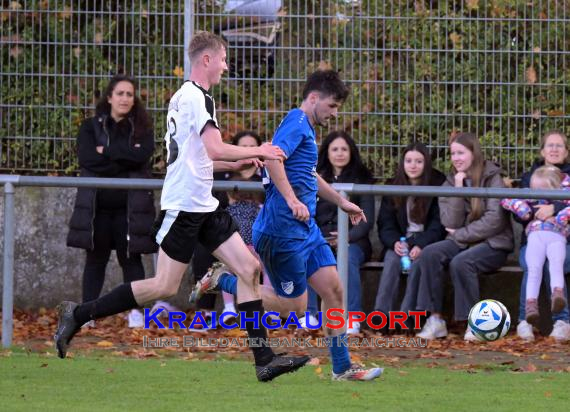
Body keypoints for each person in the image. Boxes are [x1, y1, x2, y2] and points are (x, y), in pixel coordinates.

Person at [55, 31, 310, 382]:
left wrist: (236, 166)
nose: (225, 65)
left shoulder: (188, 97)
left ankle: (264, 360)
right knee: (163, 287)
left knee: (249, 269)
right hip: (185, 207)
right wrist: (258, 151)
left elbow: (200, 156)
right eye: (222, 58)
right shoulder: (196, 99)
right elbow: (216, 148)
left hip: (203, 203)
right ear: (206, 60)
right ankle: (79, 314)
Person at [191, 69, 383, 381]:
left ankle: (342, 366)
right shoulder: (296, 123)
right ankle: (223, 280)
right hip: (281, 232)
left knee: (334, 289)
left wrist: (341, 201)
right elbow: (272, 159)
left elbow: (308, 172)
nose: (334, 114)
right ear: (314, 98)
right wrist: (293, 201)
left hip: (305, 231)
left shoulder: (306, 127)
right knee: (294, 309)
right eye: (332, 106)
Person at [401, 132, 513, 341]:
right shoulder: (450, 182)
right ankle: (435, 320)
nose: (456, 158)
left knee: (461, 262)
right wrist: (459, 190)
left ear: (474, 153)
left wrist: (461, 233)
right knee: (429, 254)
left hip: (493, 244)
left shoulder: (492, 178)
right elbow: (450, 222)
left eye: (461, 153)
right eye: (453, 154)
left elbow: (494, 220)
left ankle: (475, 324)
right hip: (461, 241)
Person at [66, 74, 157, 328]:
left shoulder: (142, 128)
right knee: (95, 259)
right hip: (97, 208)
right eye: (120, 93)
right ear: (109, 97)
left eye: (129, 94)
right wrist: (122, 159)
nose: (125, 99)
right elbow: (87, 159)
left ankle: (136, 314)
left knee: (131, 259)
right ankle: (86, 315)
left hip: (130, 209)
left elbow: (140, 157)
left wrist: (105, 151)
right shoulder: (90, 127)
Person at [301, 130, 375, 335]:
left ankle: (352, 317)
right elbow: (309, 214)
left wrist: (346, 238)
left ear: (351, 152)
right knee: (307, 257)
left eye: (344, 149)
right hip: (321, 239)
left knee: (348, 258)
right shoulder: (315, 178)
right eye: (335, 149)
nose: (340, 153)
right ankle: (311, 316)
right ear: (327, 152)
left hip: (355, 242)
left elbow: (367, 220)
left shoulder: (362, 179)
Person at [374, 142, 446, 334]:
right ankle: (381, 320)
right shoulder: (392, 186)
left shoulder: (438, 184)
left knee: (418, 265)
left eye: (419, 161)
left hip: (426, 243)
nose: (413, 165)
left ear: (427, 164)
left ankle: (406, 321)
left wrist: (420, 244)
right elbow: (385, 223)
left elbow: (438, 225)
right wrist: (394, 243)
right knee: (391, 262)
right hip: (399, 242)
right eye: (408, 161)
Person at [508, 130, 570, 342]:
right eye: (550, 145)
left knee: (554, 262)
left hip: (563, 239)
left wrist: (555, 207)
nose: (554, 149)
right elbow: (519, 212)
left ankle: (562, 322)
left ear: (566, 151)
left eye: (559, 146)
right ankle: (525, 321)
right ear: (542, 150)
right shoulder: (529, 177)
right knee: (532, 263)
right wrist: (535, 212)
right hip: (534, 237)